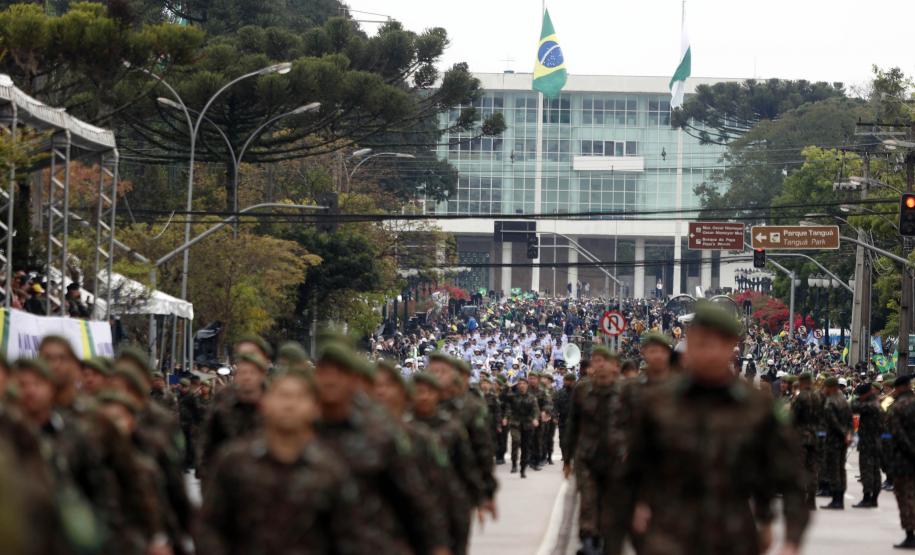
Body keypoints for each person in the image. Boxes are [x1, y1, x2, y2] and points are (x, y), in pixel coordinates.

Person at [624, 301, 809, 555]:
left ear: (731, 348)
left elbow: (790, 477)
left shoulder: (756, 407)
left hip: (733, 538)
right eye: (700, 343)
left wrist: (790, 539)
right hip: (669, 537)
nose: (707, 353)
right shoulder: (658, 403)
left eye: (717, 344)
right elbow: (632, 470)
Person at [198, 368, 358, 555]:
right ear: (265, 403)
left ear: (315, 408)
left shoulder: (331, 469)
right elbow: (209, 527)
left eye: (299, 397)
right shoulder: (234, 462)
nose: (289, 404)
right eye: (282, 396)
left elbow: (349, 536)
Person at [313, 341, 450, 555]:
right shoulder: (306, 431)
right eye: (324, 373)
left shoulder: (383, 438)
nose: (330, 381)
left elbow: (417, 499)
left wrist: (437, 544)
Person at [563, 347, 627, 555]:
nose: (599, 365)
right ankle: (589, 539)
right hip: (587, 457)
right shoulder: (582, 390)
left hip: (616, 458)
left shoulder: (627, 392)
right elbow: (572, 424)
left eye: (604, 361)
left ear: (615, 366)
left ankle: (605, 540)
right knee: (588, 499)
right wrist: (566, 458)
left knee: (609, 503)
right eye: (596, 361)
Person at [198, 353, 269, 481]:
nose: (247, 377)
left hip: (264, 479)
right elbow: (209, 443)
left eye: (252, 372)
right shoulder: (223, 405)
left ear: (262, 375)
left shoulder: (273, 405)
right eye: (243, 373)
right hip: (229, 479)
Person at [888, 374, 915, 549]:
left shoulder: (897, 407)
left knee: (905, 496)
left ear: (901, 387)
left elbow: (897, 434)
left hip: (904, 459)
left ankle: (910, 535)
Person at [790, 372, 824, 510]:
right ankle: (811, 499)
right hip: (815, 436)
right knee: (813, 469)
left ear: (802, 382)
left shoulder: (800, 397)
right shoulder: (819, 396)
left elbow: (793, 417)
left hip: (801, 436)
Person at [821, 376, 853, 510]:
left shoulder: (831, 402)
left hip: (834, 439)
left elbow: (834, 423)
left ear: (831, 387)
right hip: (843, 440)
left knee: (833, 469)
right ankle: (839, 498)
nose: (824, 390)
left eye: (825, 387)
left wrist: (844, 433)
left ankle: (836, 500)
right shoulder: (843, 400)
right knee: (841, 468)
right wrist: (849, 433)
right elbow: (850, 420)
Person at [851, 382, 883, 508]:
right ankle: (873, 498)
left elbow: (853, 406)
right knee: (875, 471)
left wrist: (860, 398)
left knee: (867, 470)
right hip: (874, 442)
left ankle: (867, 497)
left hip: (869, 443)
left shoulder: (871, 405)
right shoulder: (875, 402)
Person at [503, 375, 538, 478]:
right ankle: (514, 464)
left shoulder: (531, 397)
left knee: (525, 447)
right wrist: (506, 417)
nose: (521, 385)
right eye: (519, 384)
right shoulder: (513, 396)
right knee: (516, 441)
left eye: (523, 384)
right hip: (515, 423)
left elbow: (535, 410)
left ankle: (523, 468)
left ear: (527, 386)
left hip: (527, 425)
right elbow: (507, 405)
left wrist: (535, 419)